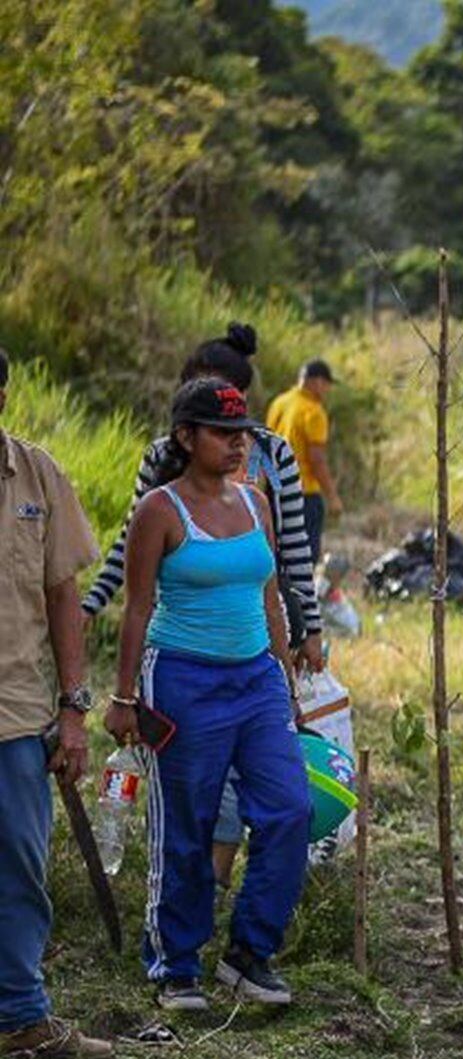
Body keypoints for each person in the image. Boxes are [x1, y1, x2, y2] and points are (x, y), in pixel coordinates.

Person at [83, 324, 323, 895]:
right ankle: (199, 896)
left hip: (262, 633)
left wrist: (303, 630)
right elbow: (131, 551)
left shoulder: (272, 458)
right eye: (199, 403)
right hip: (188, 653)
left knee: (273, 785)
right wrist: (94, 603)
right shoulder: (161, 466)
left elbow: (292, 553)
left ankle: (233, 905)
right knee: (197, 790)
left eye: (228, 412)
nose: (225, 430)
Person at [107, 377, 313, 1011]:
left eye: (242, 434)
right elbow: (137, 609)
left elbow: (270, 596)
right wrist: (122, 699)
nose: (237, 444)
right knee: (189, 823)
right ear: (186, 437)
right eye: (223, 434)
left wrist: (286, 677)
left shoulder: (257, 501)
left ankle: (250, 954)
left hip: (256, 680)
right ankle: (175, 964)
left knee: (289, 810)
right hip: (184, 679)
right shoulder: (160, 510)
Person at [0, 347, 112, 1059]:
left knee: (18, 865)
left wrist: (75, 710)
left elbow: (63, 595)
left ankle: (20, 1015)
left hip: (15, 712)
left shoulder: (36, 475)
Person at [266, 359, 340, 563]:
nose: (327, 390)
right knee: (303, 558)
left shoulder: (279, 402)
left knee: (276, 553)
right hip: (303, 492)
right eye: (327, 384)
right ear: (316, 382)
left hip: (275, 490)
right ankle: (297, 596)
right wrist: (332, 496)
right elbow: (317, 459)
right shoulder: (313, 411)